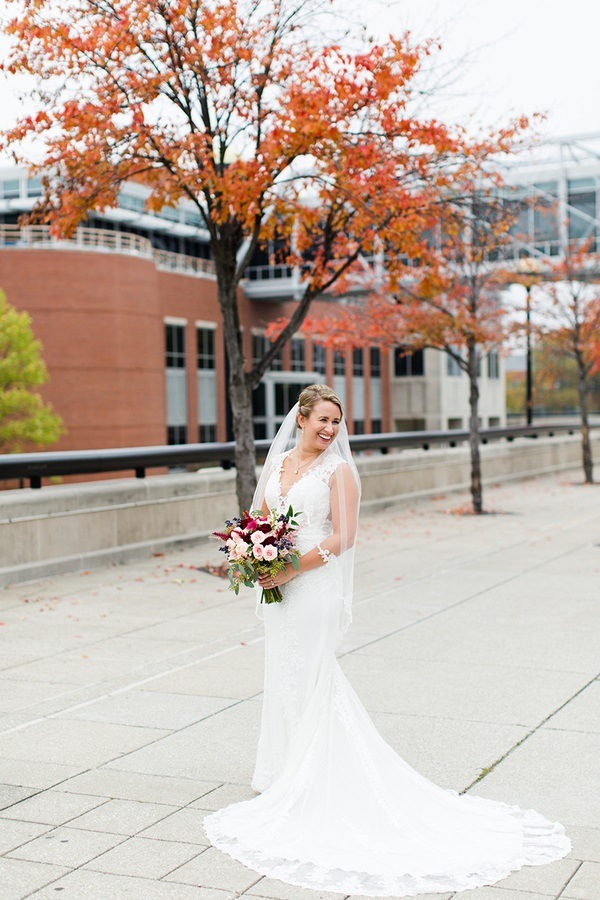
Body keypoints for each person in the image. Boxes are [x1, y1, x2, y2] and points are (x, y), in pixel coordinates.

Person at [204, 384, 570, 897]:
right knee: (283, 674)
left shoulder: (340, 472)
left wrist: (289, 568)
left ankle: (316, 779)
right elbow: (260, 516)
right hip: (279, 585)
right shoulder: (280, 463)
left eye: (337, 421)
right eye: (322, 420)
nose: (330, 429)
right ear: (302, 418)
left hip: (314, 585)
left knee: (313, 673)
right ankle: (285, 771)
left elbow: (344, 536)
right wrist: (255, 553)